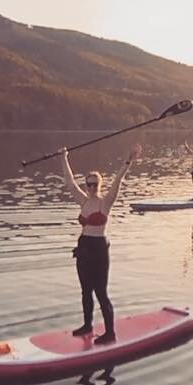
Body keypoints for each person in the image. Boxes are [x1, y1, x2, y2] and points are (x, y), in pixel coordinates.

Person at [61, 145, 138, 344]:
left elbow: (118, 180)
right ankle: (88, 325)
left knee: (101, 292)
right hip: (84, 248)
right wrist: (63, 157)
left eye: (95, 184)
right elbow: (69, 183)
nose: (92, 187)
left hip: (99, 249)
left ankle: (110, 333)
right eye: (89, 184)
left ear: (100, 186)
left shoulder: (106, 202)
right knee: (85, 290)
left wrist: (128, 161)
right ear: (86, 185)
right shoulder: (83, 201)